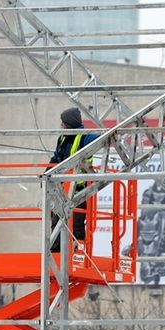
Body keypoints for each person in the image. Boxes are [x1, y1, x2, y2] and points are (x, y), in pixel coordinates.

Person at [48, 107, 99, 251]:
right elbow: (56, 158)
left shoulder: (83, 137)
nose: (61, 126)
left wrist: (110, 137)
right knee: (57, 217)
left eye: (63, 123)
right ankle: (56, 250)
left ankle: (78, 246)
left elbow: (99, 140)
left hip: (78, 187)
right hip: (62, 187)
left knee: (77, 218)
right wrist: (47, 171)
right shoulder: (63, 138)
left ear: (69, 124)